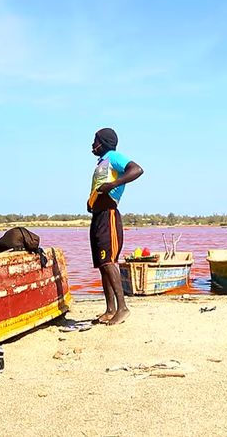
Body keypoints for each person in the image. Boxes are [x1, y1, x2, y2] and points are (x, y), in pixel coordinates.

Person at [87, 128, 143, 325]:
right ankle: (110, 309)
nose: (93, 145)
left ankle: (123, 308)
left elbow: (136, 170)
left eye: (96, 141)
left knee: (109, 261)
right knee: (102, 264)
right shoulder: (102, 163)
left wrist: (113, 185)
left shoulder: (114, 157)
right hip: (98, 216)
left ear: (104, 141)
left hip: (109, 215)